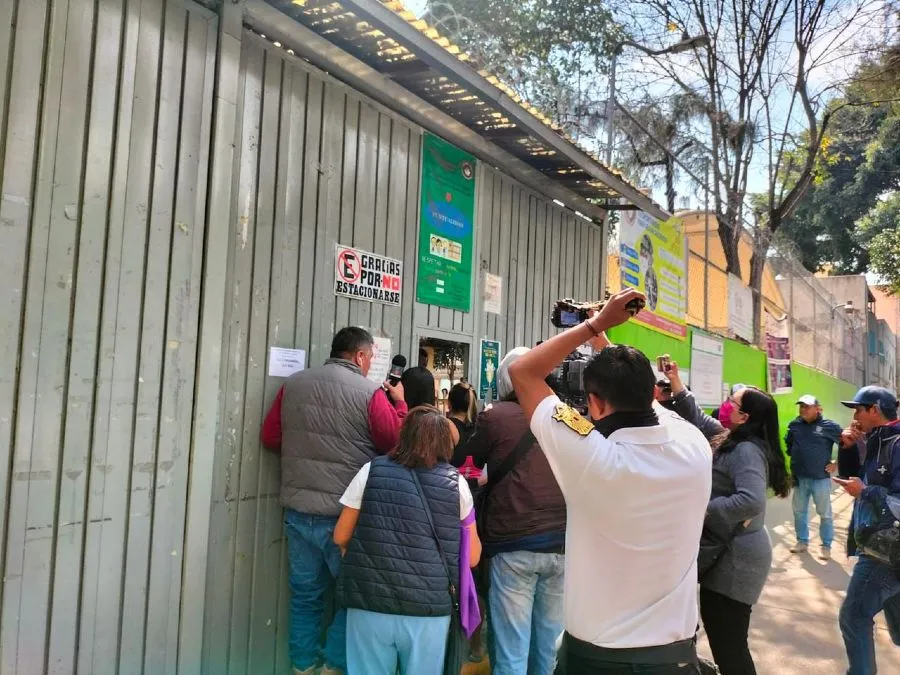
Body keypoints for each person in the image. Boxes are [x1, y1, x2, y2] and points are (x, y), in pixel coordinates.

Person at [508, 289, 712, 674]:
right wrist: (606, 343)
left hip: (600, 659)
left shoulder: (594, 457)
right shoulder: (693, 444)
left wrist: (596, 324)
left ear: (595, 403)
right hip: (675, 656)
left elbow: (523, 372)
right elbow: (642, 402)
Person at [260, 327, 407, 675]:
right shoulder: (370, 393)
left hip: (298, 513)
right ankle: (334, 666)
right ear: (359, 356)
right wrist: (400, 404)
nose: (372, 364)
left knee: (306, 597)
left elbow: (269, 437)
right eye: (371, 357)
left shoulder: (293, 385)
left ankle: (302, 665)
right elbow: (395, 443)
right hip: (344, 520)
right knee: (353, 599)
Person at [333, 406, 482, 675]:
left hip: (369, 603)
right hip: (428, 610)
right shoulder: (455, 483)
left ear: (403, 435)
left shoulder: (371, 470)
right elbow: (472, 557)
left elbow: (341, 535)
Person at [466, 347, 568, 675]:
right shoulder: (567, 415)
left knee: (511, 647)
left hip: (513, 545)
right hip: (563, 545)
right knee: (550, 644)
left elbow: (469, 461)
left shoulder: (495, 416)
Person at [698, 386, 790, 675]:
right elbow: (700, 420)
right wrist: (675, 384)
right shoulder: (736, 439)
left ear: (744, 416)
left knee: (730, 644)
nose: (726, 405)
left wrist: (705, 509)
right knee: (723, 636)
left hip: (738, 559)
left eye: (732, 402)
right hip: (732, 550)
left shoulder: (747, 450)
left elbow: (751, 500)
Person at [834, 386, 900, 675]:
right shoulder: (878, 439)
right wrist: (847, 447)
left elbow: (885, 493)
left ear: (874, 410)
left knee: (854, 616)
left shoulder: (896, 443)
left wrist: (866, 492)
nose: (855, 415)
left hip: (885, 551)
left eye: (859, 409)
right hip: (878, 543)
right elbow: (857, 476)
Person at [785, 394, 843, 560]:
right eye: (801, 406)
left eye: (807, 406)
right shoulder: (794, 425)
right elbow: (789, 445)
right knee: (799, 512)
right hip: (800, 478)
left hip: (820, 478)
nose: (803, 409)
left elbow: (847, 444)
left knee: (824, 513)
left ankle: (826, 545)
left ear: (818, 409)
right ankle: (802, 541)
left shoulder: (828, 426)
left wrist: (836, 463)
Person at [448, 383, 481, 490]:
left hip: (454, 491)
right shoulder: (481, 427)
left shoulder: (448, 427)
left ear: (449, 404)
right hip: (476, 492)